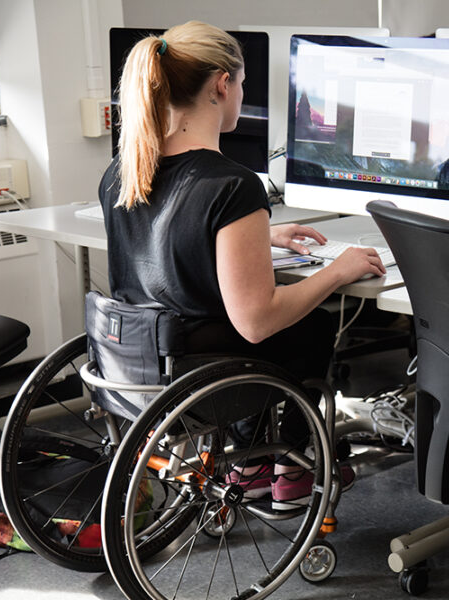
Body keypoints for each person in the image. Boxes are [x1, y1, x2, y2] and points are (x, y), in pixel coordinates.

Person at [99, 21, 385, 508]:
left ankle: (250, 464)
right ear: (221, 84)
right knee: (310, 330)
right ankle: (290, 470)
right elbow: (256, 321)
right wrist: (336, 270)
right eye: (243, 83)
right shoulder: (231, 185)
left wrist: (255, 235)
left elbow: (166, 243)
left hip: (140, 364)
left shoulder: (124, 172)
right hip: (202, 373)